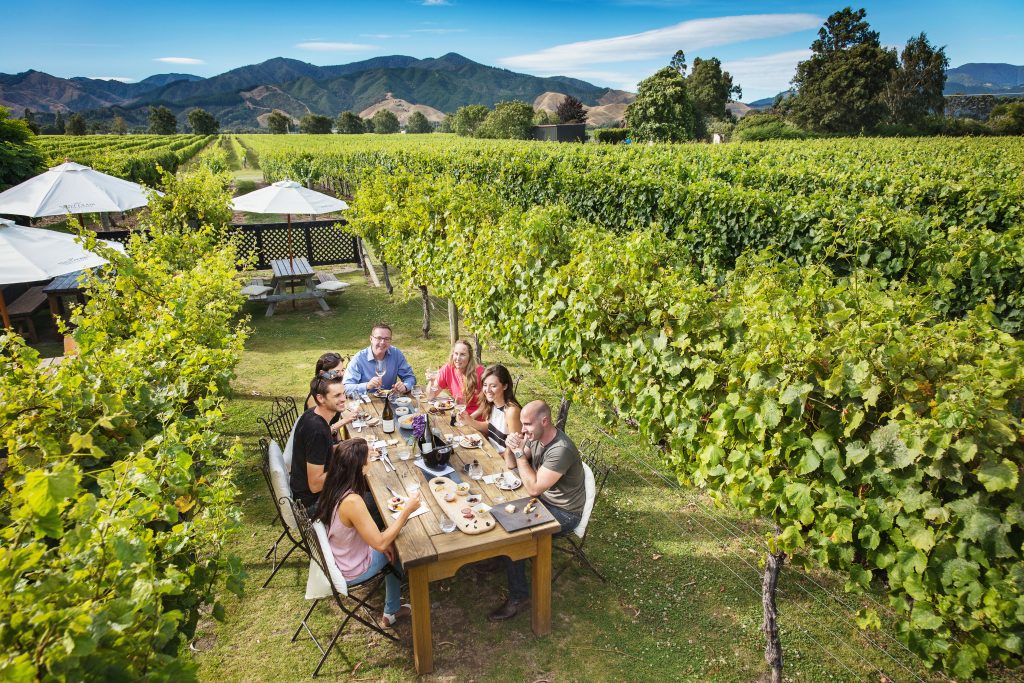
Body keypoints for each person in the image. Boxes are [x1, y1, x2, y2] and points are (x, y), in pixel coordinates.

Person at [489, 400, 587, 622]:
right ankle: (502, 557)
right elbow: (512, 465)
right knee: (498, 506)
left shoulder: (560, 449)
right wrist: (511, 446)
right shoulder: (535, 437)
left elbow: (533, 488)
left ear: (545, 421)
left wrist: (520, 455)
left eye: (527, 425)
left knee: (518, 534)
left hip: (564, 512)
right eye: (521, 425)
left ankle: (519, 596)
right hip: (543, 500)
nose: (522, 430)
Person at [318, 439, 422, 628]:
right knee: (397, 545)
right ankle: (392, 610)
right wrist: (408, 510)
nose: (371, 460)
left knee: (389, 539)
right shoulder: (352, 501)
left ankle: (393, 606)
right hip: (351, 568)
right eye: (369, 458)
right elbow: (381, 544)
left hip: (340, 554)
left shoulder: (335, 485)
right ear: (360, 466)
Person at [291, 372, 354, 514]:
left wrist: (353, 448)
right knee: (375, 504)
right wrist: (350, 468)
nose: (344, 399)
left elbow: (323, 450)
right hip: (312, 504)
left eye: (343, 393)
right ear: (320, 398)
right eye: (337, 396)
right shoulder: (317, 431)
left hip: (311, 494)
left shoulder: (313, 413)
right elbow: (315, 484)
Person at [342, 322, 416, 396]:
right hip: (366, 403)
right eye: (379, 338)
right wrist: (367, 386)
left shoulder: (396, 354)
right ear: (371, 339)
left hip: (390, 400)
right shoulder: (359, 359)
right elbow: (346, 388)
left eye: (387, 339)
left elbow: (410, 377)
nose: (382, 342)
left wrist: (405, 386)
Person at [462, 364, 520, 454]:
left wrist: (495, 458)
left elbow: (517, 447)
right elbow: (489, 427)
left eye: (493, 386)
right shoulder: (493, 403)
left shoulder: (511, 411)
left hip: (505, 461)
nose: (487, 390)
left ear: (505, 386)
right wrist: (469, 420)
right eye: (485, 385)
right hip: (491, 452)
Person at [427, 339, 484, 416]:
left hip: (477, 419)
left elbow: (488, 404)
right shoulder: (448, 369)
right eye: (456, 353)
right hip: (459, 415)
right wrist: (432, 381)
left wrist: (470, 419)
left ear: (470, 357)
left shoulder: (481, 373)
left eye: (462, 354)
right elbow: (430, 396)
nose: (458, 358)